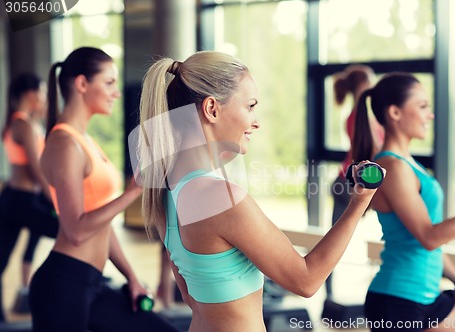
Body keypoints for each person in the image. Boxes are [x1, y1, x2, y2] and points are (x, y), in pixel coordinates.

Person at [135, 51, 383, 332]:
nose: (256, 121)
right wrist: (359, 202)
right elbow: (306, 280)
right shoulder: (220, 197)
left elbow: (196, 298)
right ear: (212, 109)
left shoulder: (169, 189)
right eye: (250, 106)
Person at [28, 47, 177, 332]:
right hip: (63, 284)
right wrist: (133, 192)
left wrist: (131, 277)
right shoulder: (64, 144)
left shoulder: (84, 140)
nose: (116, 92)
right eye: (109, 83)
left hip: (91, 281)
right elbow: (77, 230)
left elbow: (102, 224)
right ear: (82, 84)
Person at [352, 72, 455, 331]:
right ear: (395, 113)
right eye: (422, 107)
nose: (430, 115)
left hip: (427, 297)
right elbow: (429, 237)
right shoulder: (392, 167)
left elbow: (430, 246)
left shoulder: (410, 165)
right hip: (397, 302)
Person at [0, 73, 58, 322]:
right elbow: (37, 170)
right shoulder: (22, 124)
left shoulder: (24, 122)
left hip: (17, 199)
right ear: (30, 94)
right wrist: (57, 200)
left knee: (1, 259)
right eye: (43, 93)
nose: (45, 98)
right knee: (69, 232)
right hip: (21, 200)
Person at [326, 65, 384, 296]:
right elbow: (375, 150)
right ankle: (328, 295)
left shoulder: (362, 115)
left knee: (334, 242)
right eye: (371, 82)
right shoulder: (360, 116)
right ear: (364, 85)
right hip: (347, 186)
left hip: (351, 183)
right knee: (332, 246)